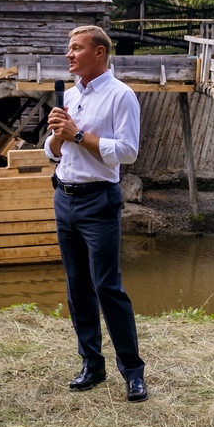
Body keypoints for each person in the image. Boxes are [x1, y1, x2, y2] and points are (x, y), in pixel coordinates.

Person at [45, 25, 147, 403]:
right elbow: (52, 153)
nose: (69, 55)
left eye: (76, 49)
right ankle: (92, 364)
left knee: (107, 287)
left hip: (99, 201)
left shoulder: (122, 96)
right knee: (77, 287)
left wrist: (74, 135)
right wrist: (57, 137)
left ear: (99, 53)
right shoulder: (69, 96)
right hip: (64, 198)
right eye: (68, 49)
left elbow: (128, 152)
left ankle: (133, 373)